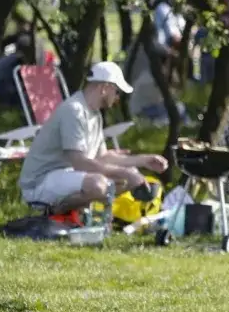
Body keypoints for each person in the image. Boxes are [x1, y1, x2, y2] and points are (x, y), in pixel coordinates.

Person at [19, 61, 167, 214]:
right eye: (116, 92)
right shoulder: (74, 111)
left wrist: (144, 160)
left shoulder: (95, 115)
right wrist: (124, 173)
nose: (117, 97)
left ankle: (72, 214)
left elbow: (102, 157)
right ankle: (54, 212)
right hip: (39, 182)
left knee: (128, 176)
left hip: (63, 176)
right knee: (98, 184)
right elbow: (80, 163)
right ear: (104, 88)